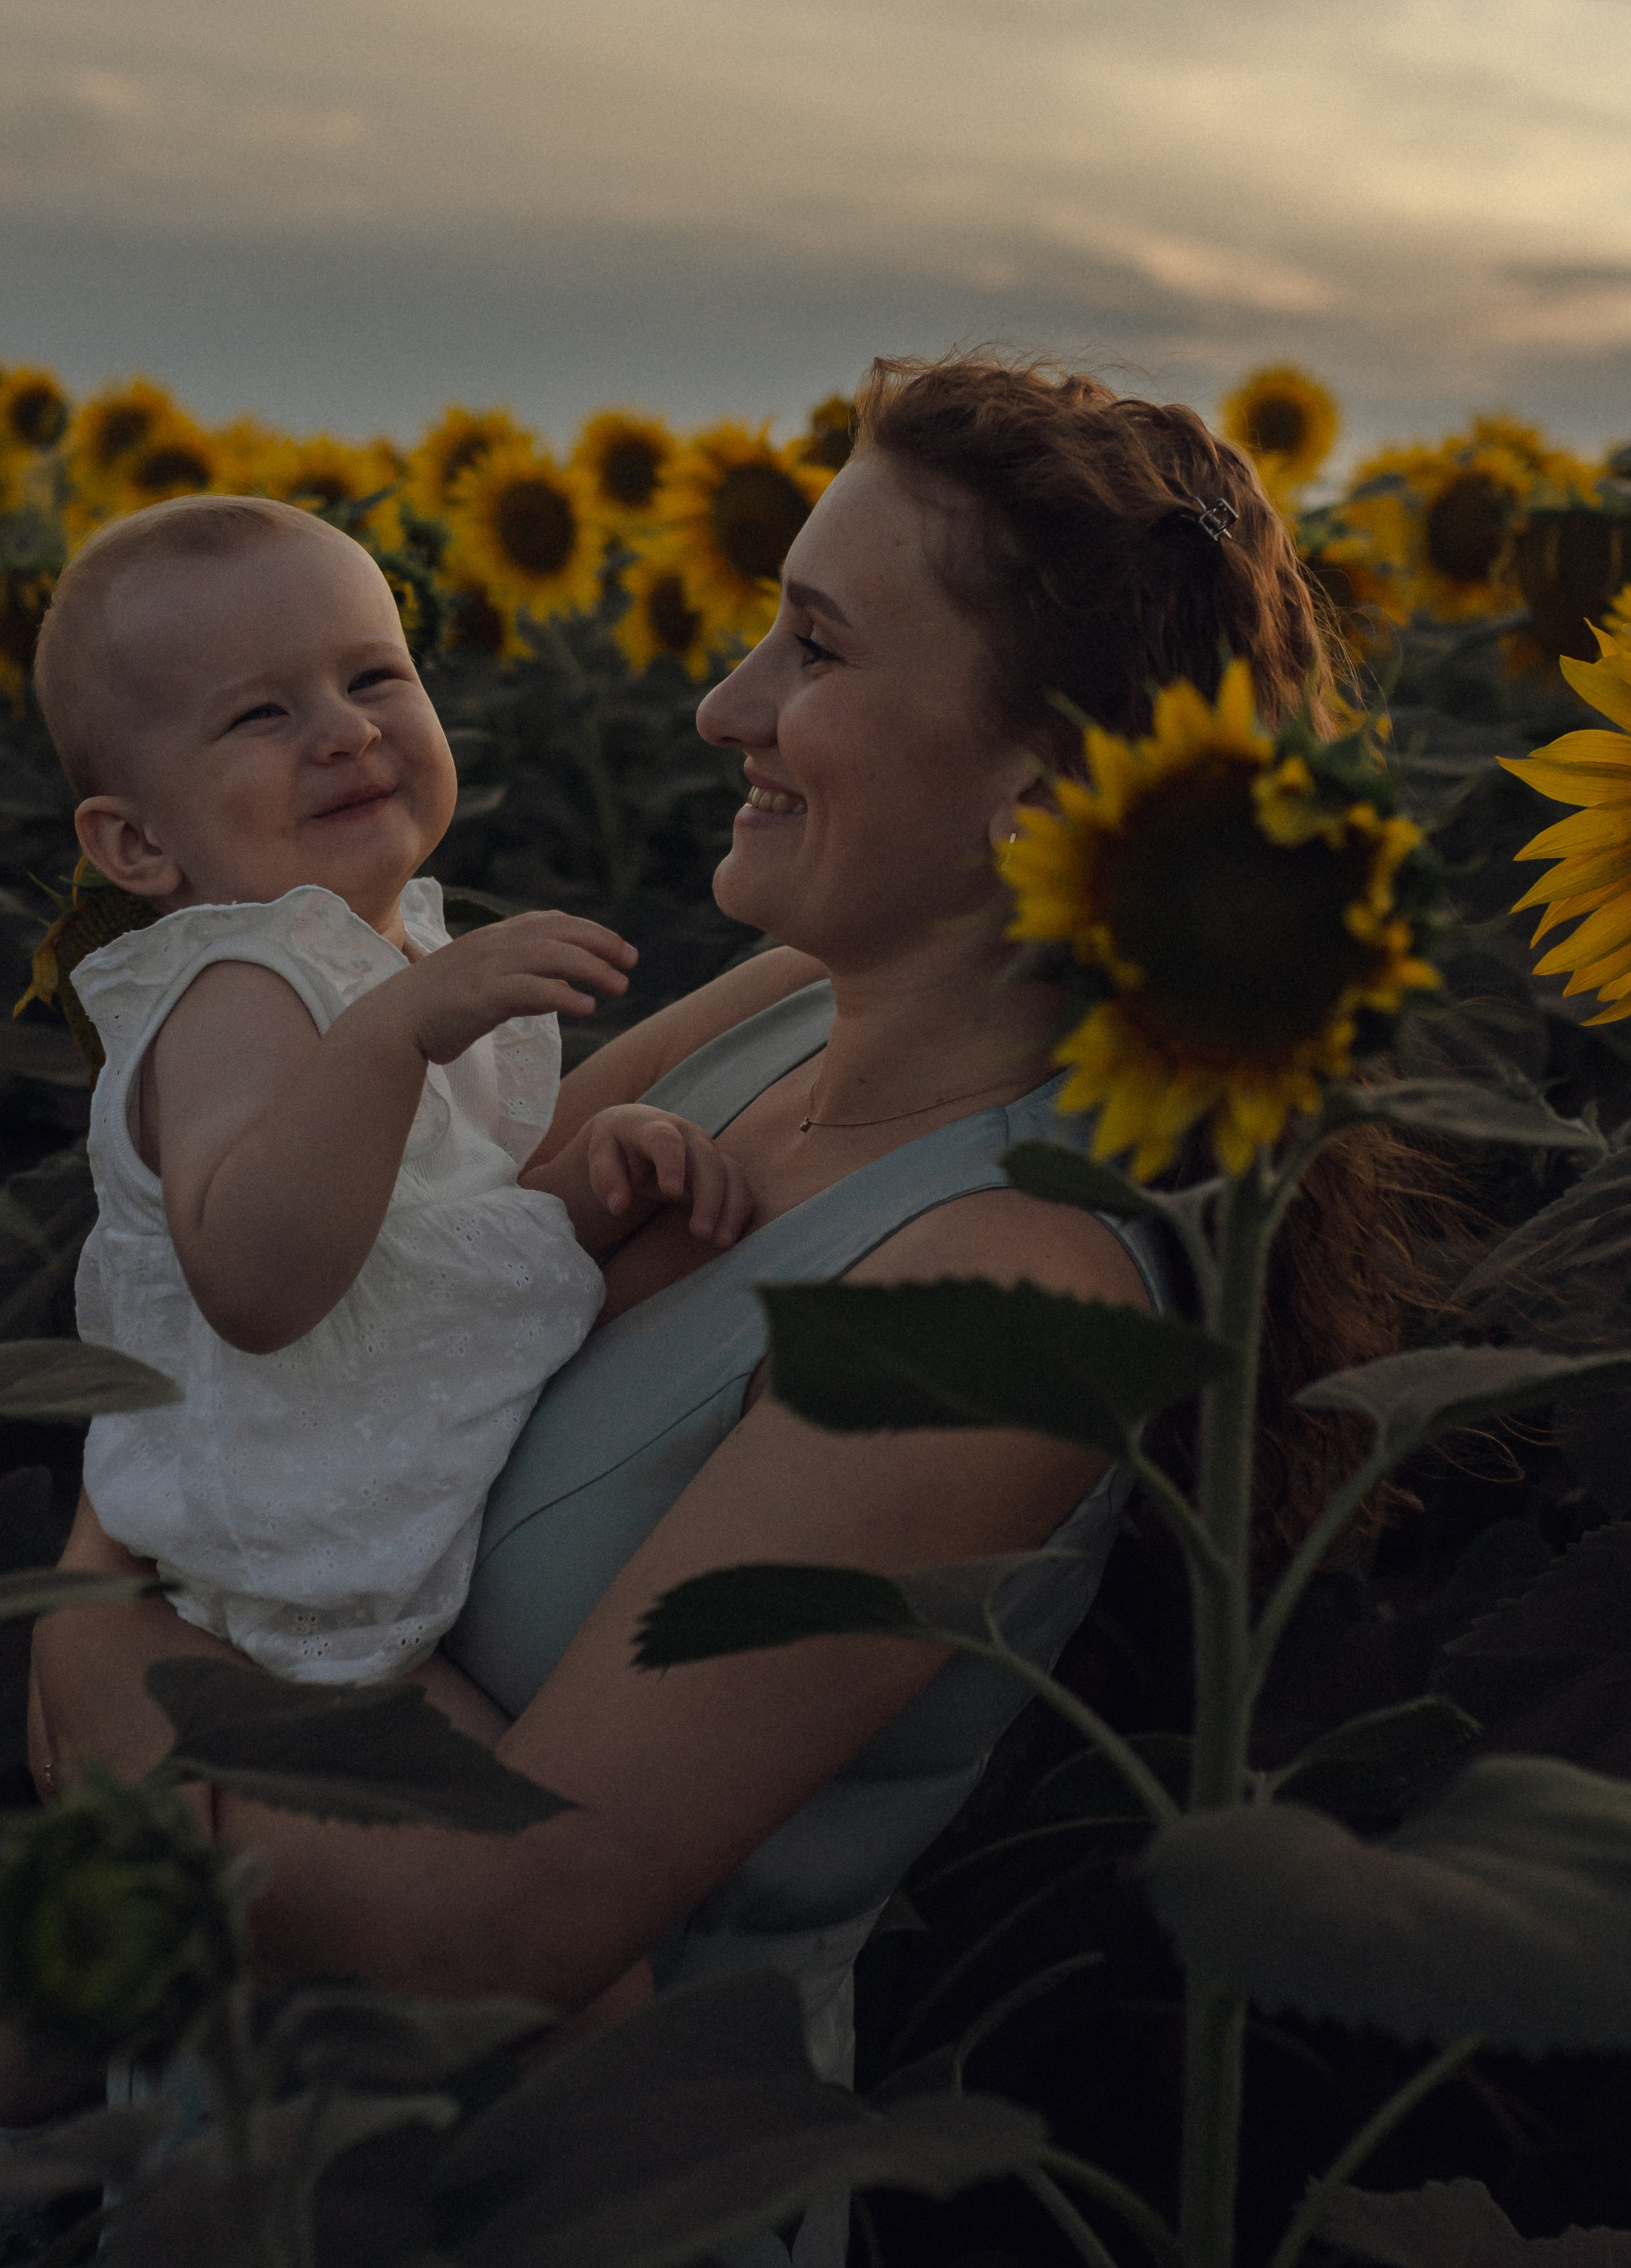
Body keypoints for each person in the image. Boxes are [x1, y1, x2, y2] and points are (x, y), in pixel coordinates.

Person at [33, 357, 1418, 2267]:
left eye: (818, 652)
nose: (723, 703)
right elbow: (316, 1338)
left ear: (1041, 782)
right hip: (259, 2111)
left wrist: (102, 1659)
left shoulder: (1014, 1276)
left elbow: (512, 1933)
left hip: (560, 2200)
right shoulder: (777, 1008)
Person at [29, 495, 754, 1698]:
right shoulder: (239, 988)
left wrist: (594, 1173)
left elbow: (428, 1229)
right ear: (137, 846)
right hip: (280, 1607)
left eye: (375, 676)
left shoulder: (386, 950)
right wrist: (397, 1032)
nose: (344, 732)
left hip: (396, 1542)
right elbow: (256, 1283)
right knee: (526, 1858)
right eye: (263, 713)